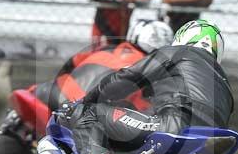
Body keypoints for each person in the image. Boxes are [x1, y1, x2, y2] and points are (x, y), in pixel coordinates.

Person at [57, 19, 233, 154]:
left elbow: (127, 78)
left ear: (184, 37)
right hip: (207, 145)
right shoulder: (225, 85)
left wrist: (89, 98)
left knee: (90, 112)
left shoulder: (179, 52)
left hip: (174, 126)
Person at [44, 19, 174, 111]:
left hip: (48, 92)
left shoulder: (106, 48)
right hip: (78, 111)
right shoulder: (148, 68)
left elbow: (71, 63)